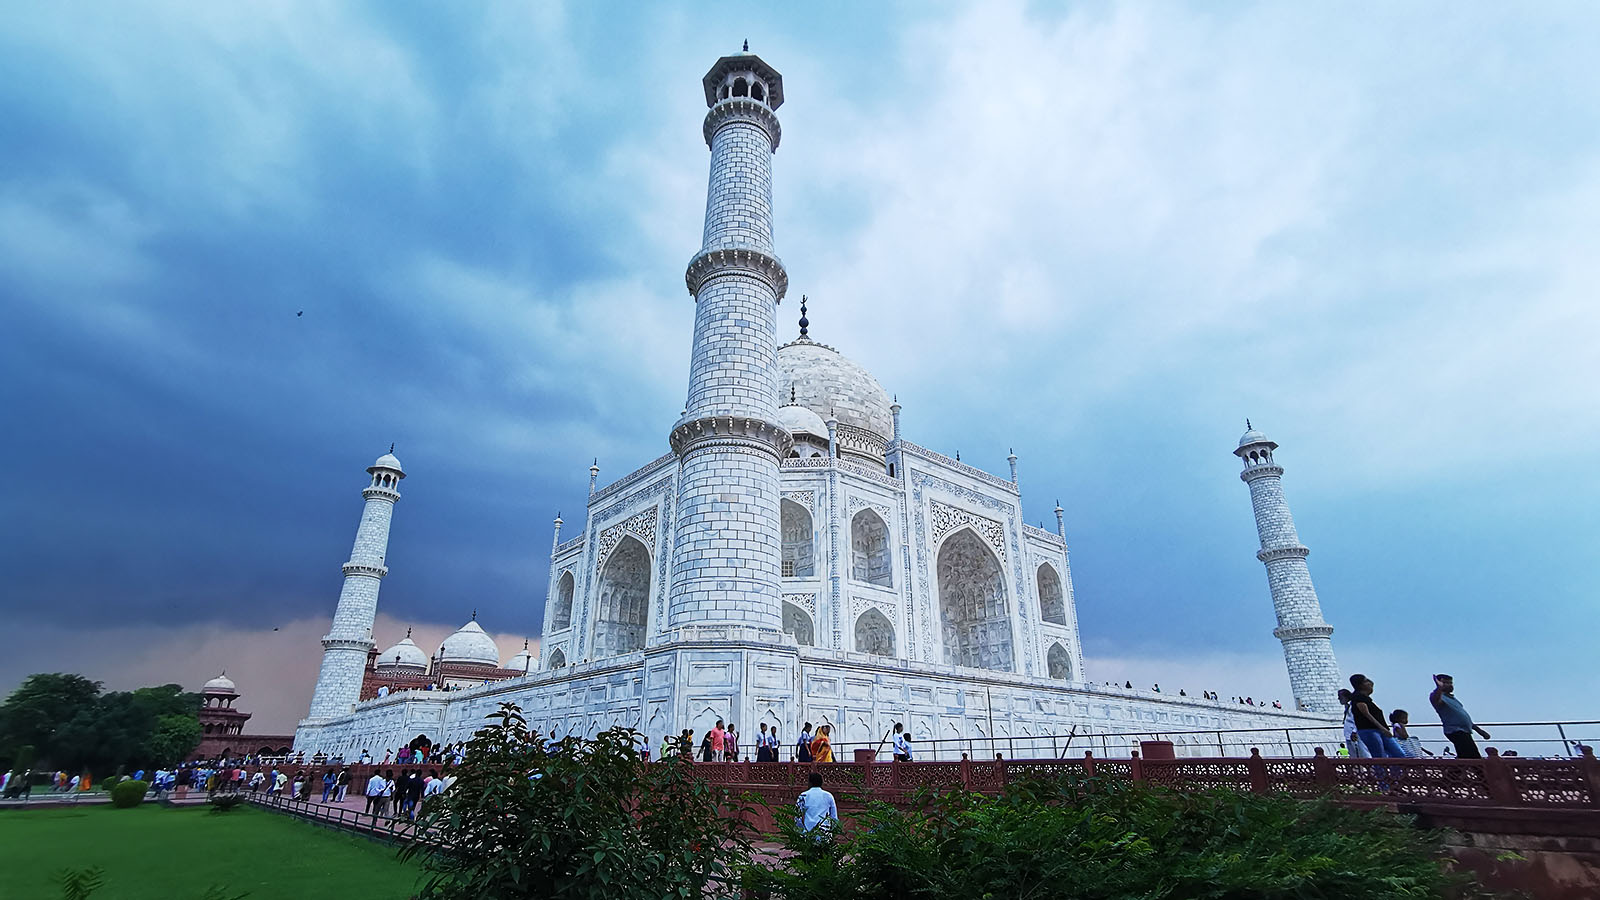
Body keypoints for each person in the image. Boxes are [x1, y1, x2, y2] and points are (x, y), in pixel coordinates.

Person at [1429, 674, 1490, 760]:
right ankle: (1481, 773)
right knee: (1472, 756)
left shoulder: (1453, 699)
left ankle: (1455, 772)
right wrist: (1439, 688)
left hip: (1464, 731)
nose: (1450, 685)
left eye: (1450, 683)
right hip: (1455, 730)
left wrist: (1480, 731)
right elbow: (1436, 699)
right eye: (1446, 683)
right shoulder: (1437, 696)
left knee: (1465, 755)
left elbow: (1464, 717)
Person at [1348, 674, 1405, 758]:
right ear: (1360, 684)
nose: (1370, 683)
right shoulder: (1358, 698)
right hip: (1370, 730)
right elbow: (1367, 714)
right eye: (1366, 681)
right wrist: (1383, 729)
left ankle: (1394, 771)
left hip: (1378, 730)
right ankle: (1380, 771)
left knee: (1398, 754)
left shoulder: (1366, 699)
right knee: (1379, 757)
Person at [1338, 689, 1371, 759]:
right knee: (1353, 756)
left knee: (1363, 753)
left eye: (1340, 697)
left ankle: (1371, 768)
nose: (1339, 699)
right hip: (1348, 734)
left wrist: (1354, 731)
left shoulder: (1353, 706)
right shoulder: (1347, 706)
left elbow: (1358, 719)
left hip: (1355, 734)